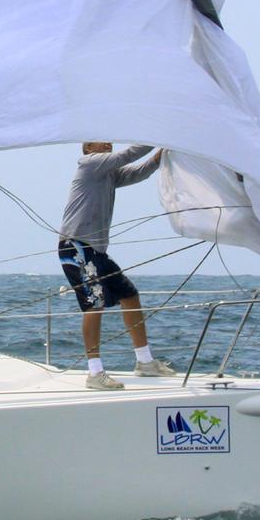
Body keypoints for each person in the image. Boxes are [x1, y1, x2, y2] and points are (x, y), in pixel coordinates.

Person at [58, 142, 175, 390]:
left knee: (129, 295)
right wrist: (156, 135)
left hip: (97, 251)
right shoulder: (90, 165)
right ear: (89, 148)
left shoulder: (108, 174)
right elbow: (129, 154)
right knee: (94, 305)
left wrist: (160, 155)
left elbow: (137, 171)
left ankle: (145, 362)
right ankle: (95, 373)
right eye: (102, 141)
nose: (109, 143)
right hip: (76, 247)